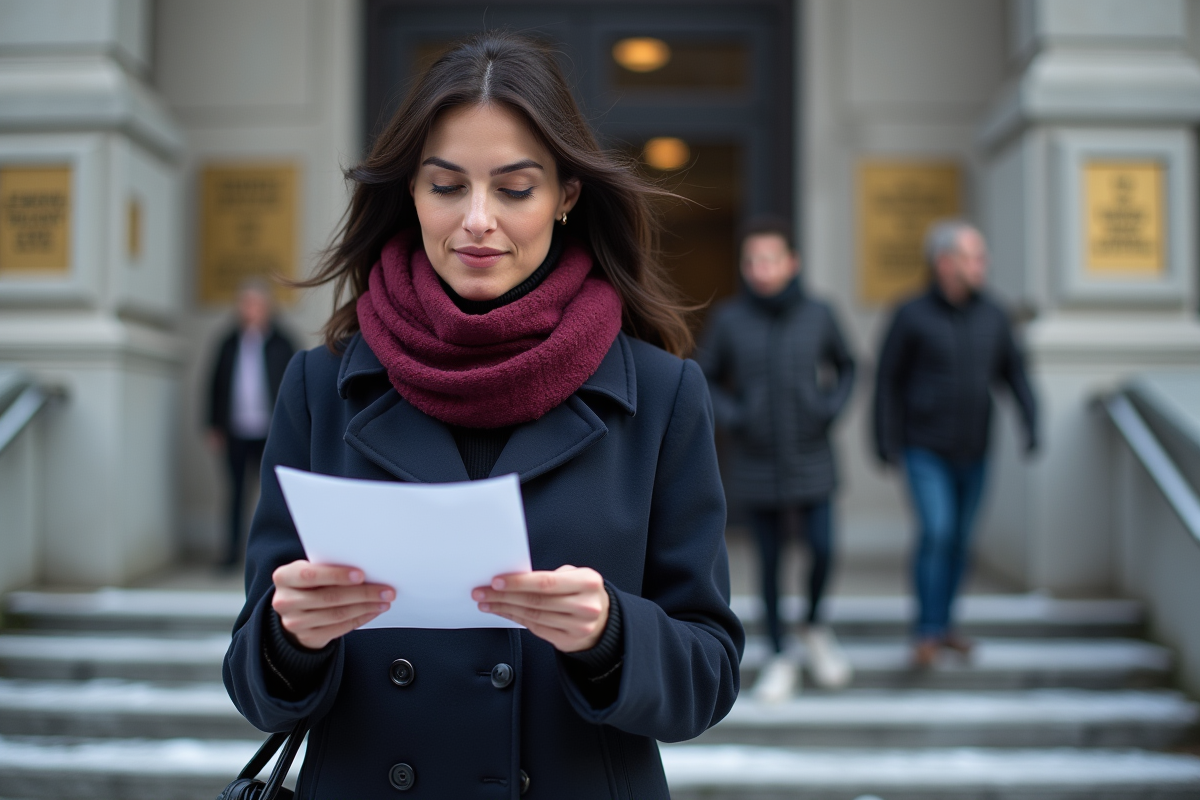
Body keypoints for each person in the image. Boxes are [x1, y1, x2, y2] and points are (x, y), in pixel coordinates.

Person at [222, 31, 743, 799]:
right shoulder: (320, 387)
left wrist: (610, 636)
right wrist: (288, 636)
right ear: (410, 192)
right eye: (446, 185)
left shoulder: (663, 395)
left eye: (514, 188)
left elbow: (709, 674)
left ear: (567, 195)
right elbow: (251, 678)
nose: (476, 220)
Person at [698, 217, 856, 703]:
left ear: (792, 263)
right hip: (756, 458)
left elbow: (848, 366)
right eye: (752, 261)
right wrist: (736, 416)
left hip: (812, 453)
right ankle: (780, 652)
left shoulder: (819, 313)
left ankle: (812, 626)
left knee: (823, 548)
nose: (760, 269)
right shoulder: (730, 319)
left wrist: (827, 409)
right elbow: (703, 375)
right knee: (767, 562)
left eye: (770, 259)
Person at [873, 219, 1037, 668]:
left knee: (961, 541)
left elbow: (1014, 373)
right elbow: (888, 380)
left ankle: (945, 626)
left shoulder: (994, 314)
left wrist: (1031, 420)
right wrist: (884, 440)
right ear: (944, 262)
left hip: (975, 448)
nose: (981, 265)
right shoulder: (911, 314)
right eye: (972, 256)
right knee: (937, 532)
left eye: (982, 256)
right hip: (924, 448)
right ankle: (925, 631)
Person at [206, 281, 295, 567]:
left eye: (256, 304)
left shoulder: (283, 342)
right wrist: (213, 424)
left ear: (268, 307)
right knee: (235, 494)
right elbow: (214, 384)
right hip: (235, 431)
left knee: (274, 494)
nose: (251, 310)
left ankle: (277, 555)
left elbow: (294, 386)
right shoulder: (228, 342)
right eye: (246, 304)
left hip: (271, 431)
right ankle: (231, 554)